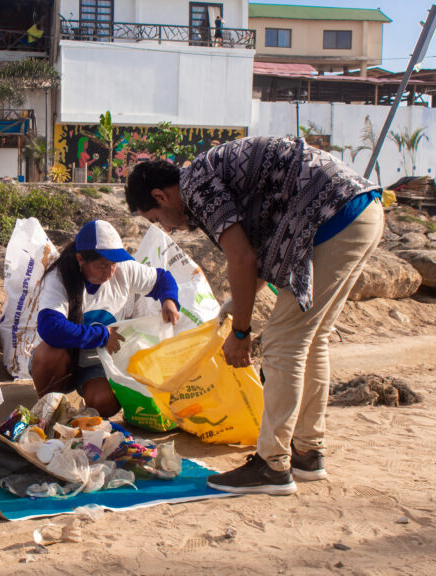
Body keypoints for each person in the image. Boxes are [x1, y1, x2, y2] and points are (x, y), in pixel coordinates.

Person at [125, 136, 383, 495]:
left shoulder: (196, 185)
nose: (166, 230)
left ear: (160, 196)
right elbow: (256, 262)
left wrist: (241, 334)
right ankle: (308, 451)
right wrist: (236, 305)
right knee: (312, 338)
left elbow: (242, 258)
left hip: (333, 219)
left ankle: (272, 465)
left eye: (157, 219)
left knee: (283, 343)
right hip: (359, 211)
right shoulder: (207, 174)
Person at [30, 220, 181, 418]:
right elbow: (51, 327)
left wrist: (169, 300)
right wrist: (102, 335)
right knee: (47, 353)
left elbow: (162, 279)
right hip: (65, 360)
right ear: (80, 260)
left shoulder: (123, 270)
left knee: (105, 404)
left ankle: (79, 416)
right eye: (102, 265)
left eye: (113, 264)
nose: (110, 271)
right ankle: (49, 409)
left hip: (98, 362)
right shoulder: (60, 278)